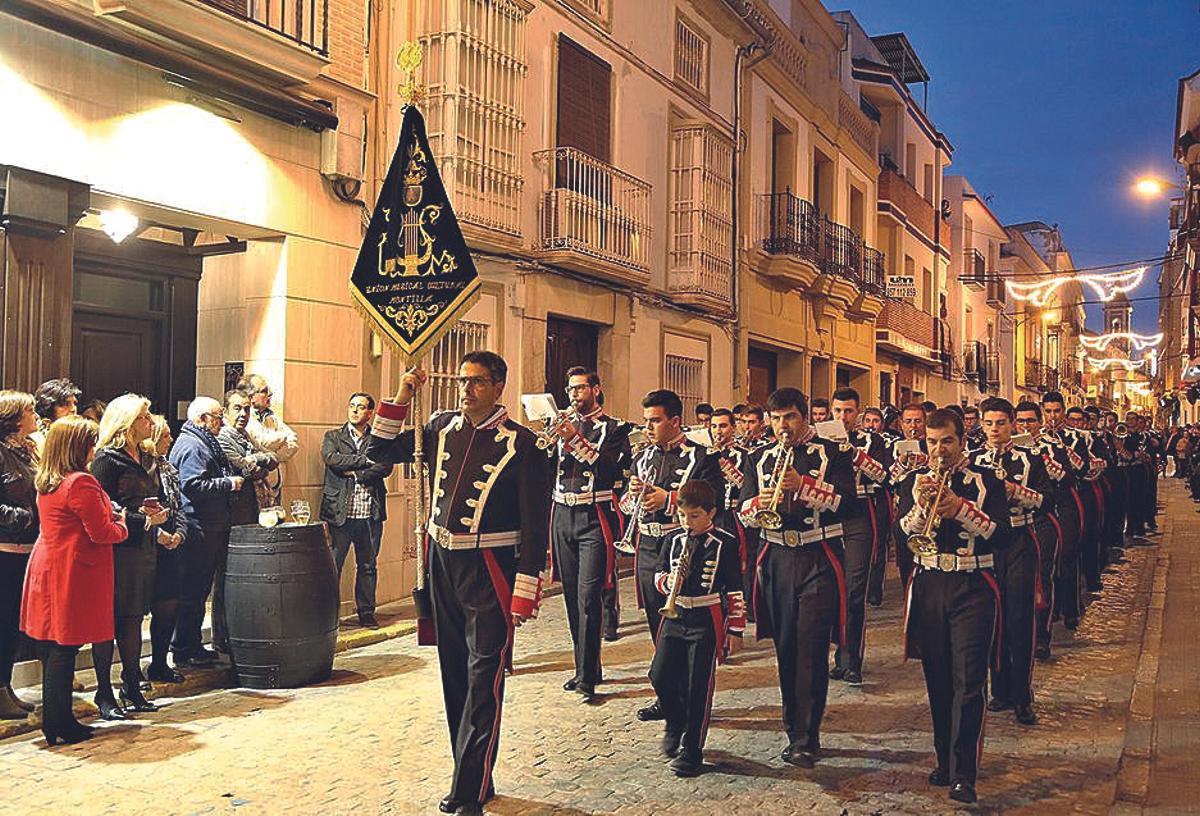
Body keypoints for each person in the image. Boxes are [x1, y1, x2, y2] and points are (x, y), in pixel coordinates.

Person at [367, 351, 551, 816]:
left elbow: (535, 521)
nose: (466, 390)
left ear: (499, 386)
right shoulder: (439, 428)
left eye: (477, 382)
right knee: (454, 673)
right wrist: (403, 394)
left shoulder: (525, 445)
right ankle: (474, 774)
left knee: (482, 676)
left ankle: (469, 787)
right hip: (442, 564)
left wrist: (526, 586)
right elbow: (376, 451)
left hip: (490, 568)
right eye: (463, 381)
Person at [738, 387, 854, 768]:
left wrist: (803, 488)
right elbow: (742, 509)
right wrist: (762, 501)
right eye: (775, 418)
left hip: (817, 556)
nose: (781, 426)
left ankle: (807, 736)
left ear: (804, 417)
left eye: (788, 417)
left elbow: (847, 505)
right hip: (776, 558)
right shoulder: (758, 457)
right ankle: (794, 727)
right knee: (787, 646)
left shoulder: (832, 454)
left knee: (810, 646)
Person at [897, 409, 1008, 805]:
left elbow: (1001, 534)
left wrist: (960, 508)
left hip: (973, 584)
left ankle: (965, 773)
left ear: (962, 440)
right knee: (938, 679)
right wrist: (919, 507)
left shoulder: (988, 480)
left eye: (946, 441)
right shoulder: (915, 481)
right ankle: (944, 759)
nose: (938, 450)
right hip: (929, 583)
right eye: (932, 442)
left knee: (969, 680)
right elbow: (904, 532)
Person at [21, 416, 129, 745]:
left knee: (53, 648)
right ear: (76, 446)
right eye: (90, 442)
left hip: (48, 563)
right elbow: (101, 532)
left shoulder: (48, 480)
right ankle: (61, 724)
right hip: (72, 569)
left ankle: (56, 722)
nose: (94, 449)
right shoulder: (80, 482)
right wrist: (122, 522)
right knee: (64, 649)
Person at [620, 389, 720, 723]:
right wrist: (632, 497)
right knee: (658, 627)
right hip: (648, 548)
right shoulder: (642, 456)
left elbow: (713, 501)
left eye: (655, 420)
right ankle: (667, 696)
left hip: (684, 547)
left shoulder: (703, 457)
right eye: (646, 420)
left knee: (685, 629)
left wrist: (669, 499)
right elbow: (625, 503)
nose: (648, 427)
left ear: (675, 421)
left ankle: (691, 700)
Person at [648, 479, 744, 777]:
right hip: (675, 616)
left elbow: (735, 588)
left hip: (706, 617)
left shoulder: (725, 543)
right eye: (682, 516)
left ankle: (693, 749)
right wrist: (669, 582)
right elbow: (657, 575)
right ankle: (675, 720)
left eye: (694, 516)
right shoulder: (672, 540)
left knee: (698, 686)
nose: (686, 522)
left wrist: (736, 629)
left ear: (711, 513)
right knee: (659, 675)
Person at [90, 394, 175, 717]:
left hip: (144, 546)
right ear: (126, 423)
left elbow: (152, 496)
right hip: (117, 550)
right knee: (109, 621)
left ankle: (131, 684)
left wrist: (158, 514)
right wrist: (142, 519)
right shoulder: (107, 460)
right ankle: (104, 693)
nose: (149, 421)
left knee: (133, 618)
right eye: (143, 416)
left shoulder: (146, 455)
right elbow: (102, 508)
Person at [547, 368, 628, 699]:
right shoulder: (562, 426)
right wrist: (550, 442)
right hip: (561, 513)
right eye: (570, 389)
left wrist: (572, 439)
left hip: (594, 515)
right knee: (570, 597)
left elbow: (608, 467)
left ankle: (587, 677)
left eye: (580, 388)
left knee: (588, 596)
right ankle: (585, 668)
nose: (574, 394)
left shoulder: (616, 429)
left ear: (596, 389)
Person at [974, 398, 1052, 726]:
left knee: (1020, 618)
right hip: (987, 543)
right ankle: (999, 689)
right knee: (992, 618)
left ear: (1012, 425)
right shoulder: (972, 460)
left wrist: (1014, 491)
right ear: (981, 424)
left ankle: (1022, 695)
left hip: (1019, 541)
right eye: (989, 423)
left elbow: (1046, 500)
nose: (994, 430)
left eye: (1001, 423)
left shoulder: (1030, 458)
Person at [170, 397, 243, 668]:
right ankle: (184, 647)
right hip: (198, 526)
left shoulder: (200, 442)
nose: (221, 421)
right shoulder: (193, 446)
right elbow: (192, 485)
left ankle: (190, 645)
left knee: (198, 591)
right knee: (192, 591)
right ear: (201, 418)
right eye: (217, 416)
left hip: (207, 524)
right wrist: (228, 483)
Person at [829, 388, 891, 684]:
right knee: (830, 589)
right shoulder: (820, 440)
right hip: (827, 512)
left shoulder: (873, 441)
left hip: (861, 513)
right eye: (838, 411)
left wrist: (854, 454)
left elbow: (884, 475)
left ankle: (852, 658)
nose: (843, 417)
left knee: (855, 589)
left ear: (859, 414)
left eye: (849, 411)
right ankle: (834, 655)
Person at [320, 393, 395, 629]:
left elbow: (385, 467)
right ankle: (327, 615)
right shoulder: (333, 436)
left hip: (369, 513)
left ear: (369, 412)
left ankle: (366, 611)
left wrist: (355, 473)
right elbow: (332, 459)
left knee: (368, 565)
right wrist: (365, 460)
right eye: (351, 406)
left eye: (360, 407)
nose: (354, 411)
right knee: (334, 565)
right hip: (340, 513)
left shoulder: (378, 439)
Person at [0, 391, 38, 719]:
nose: (35, 414)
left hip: (25, 548)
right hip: (5, 550)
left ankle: (6, 687)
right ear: (14, 417)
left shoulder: (26, 452)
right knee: (3, 622)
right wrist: (29, 518)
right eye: (30, 410)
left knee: (12, 623)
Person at [146, 415, 186, 684]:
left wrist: (180, 533)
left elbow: (179, 505)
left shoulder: (169, 468)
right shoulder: (145, 469)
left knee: (168, 605)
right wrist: (159, 534)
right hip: (147, 543)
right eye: (165, 435)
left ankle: (159, 663)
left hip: (171, 543)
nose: (170, 440)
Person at [710, 408, 756, 621]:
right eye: (714, 426)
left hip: (735, 515)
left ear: (732, 427)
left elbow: (745, 484)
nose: (718, 431)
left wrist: (722, 463)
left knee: (741, 563)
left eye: (723, 426)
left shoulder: (745, 455)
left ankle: (744, 609)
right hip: (714, 514)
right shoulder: (704, 454)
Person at [217, 389, 279, 526]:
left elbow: (274, 458)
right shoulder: (221, 438)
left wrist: (255, 459)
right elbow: (247, 470)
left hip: (256, 505)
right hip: (236, 509)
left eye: (247, 409)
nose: (243, 414)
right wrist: (263, 468)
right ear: (225, 412)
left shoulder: (245, 435)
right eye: (237, 409)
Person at [237, 374, 298, 507]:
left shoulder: (270, 416)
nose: (269, 394)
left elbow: (293, 442)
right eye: (264, 391)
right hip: (257, 489)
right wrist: (282, 437)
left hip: (275, 489)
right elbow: (262, 442)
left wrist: (273, 456)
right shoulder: (244, 418)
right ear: (251, 396)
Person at [30, 379, 81, 457]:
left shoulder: (78, 435)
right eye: (66, 404)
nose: (73, 409)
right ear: (48, 407)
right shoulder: (36, 439)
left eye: (74, 403)